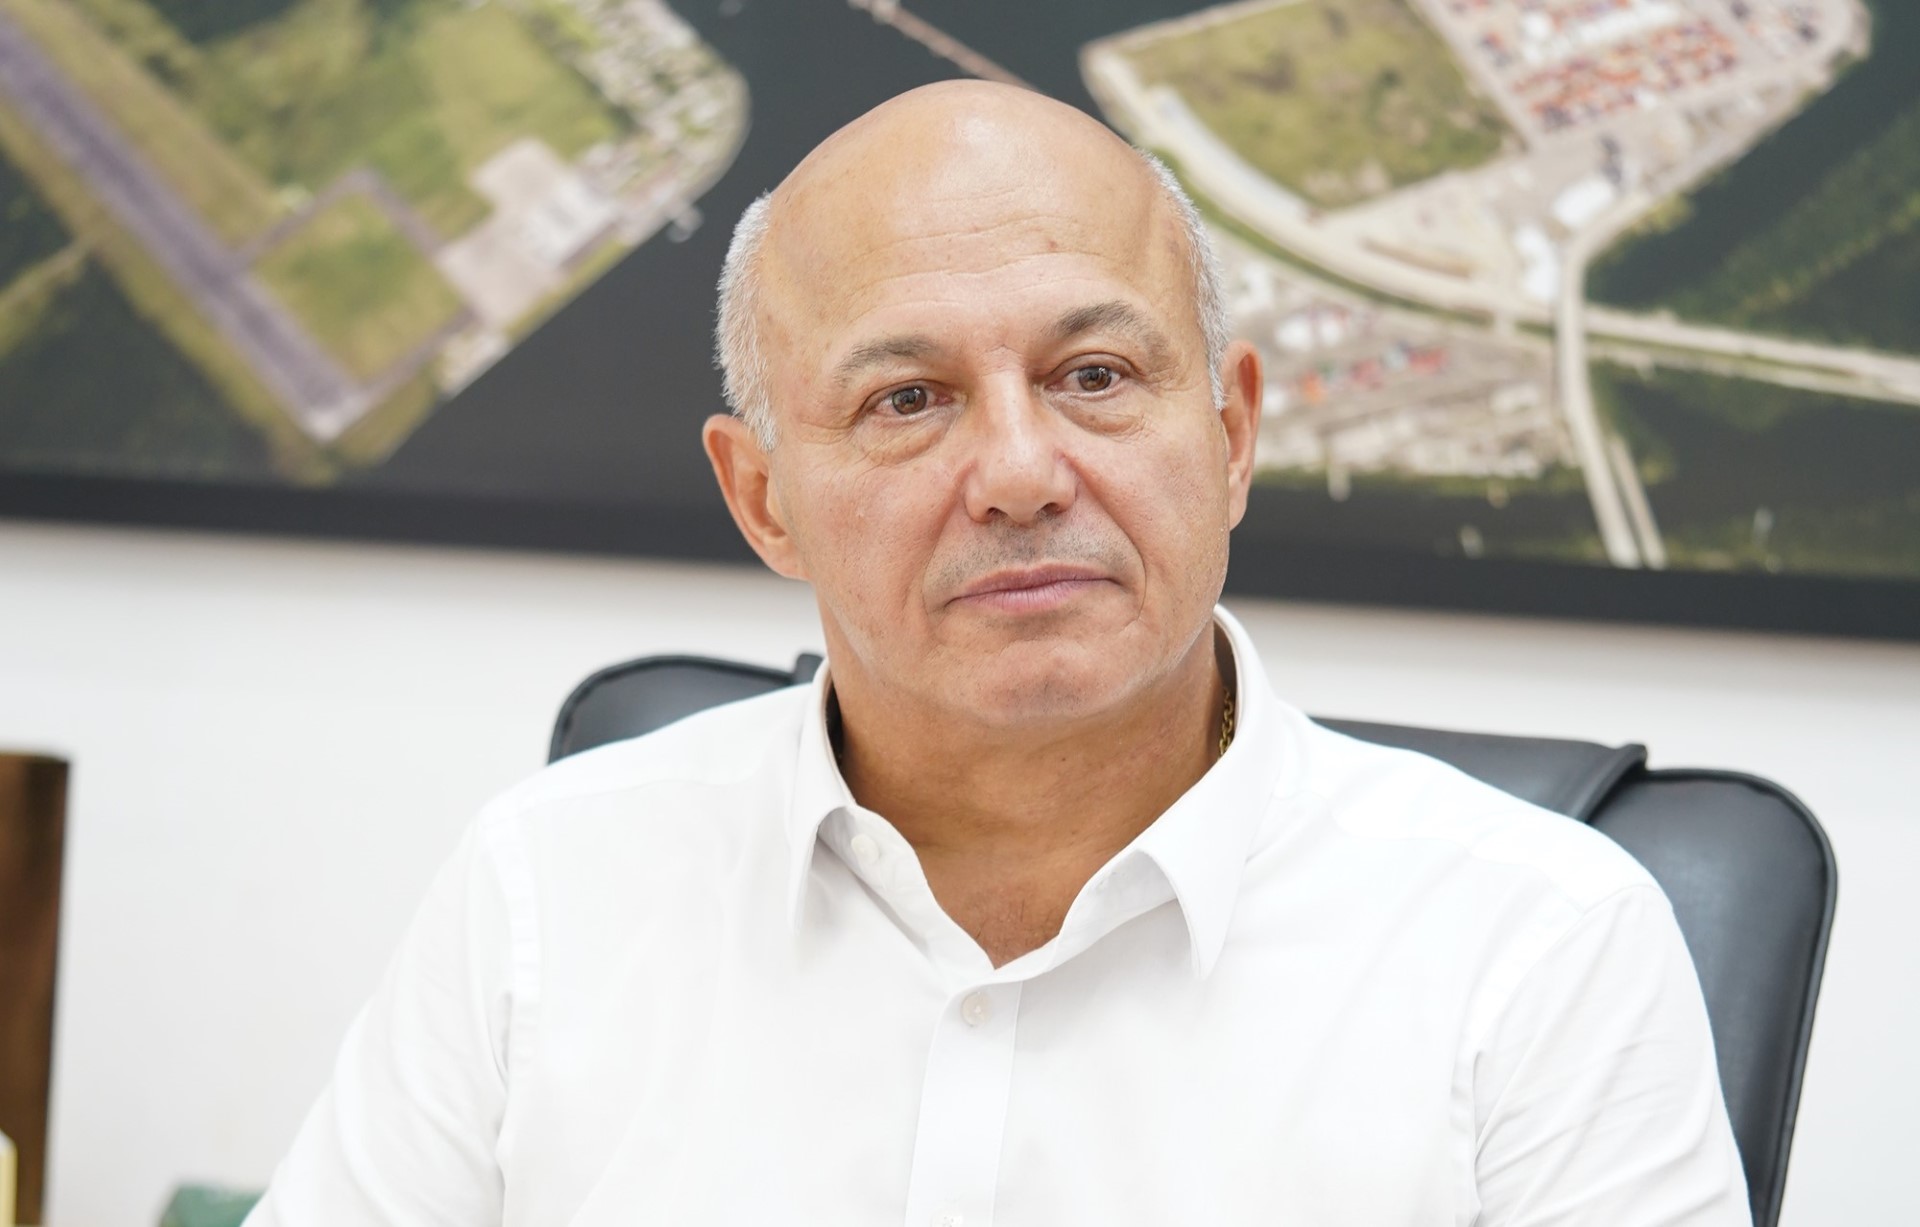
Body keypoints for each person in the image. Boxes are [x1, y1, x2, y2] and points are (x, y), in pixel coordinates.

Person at [246, 82, 1748, 1225]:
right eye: (906, 400)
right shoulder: (546, 887)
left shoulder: (1539, 947)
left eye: (1095, 375)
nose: (1022, 473)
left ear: (1231, 434)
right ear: (764, 500)